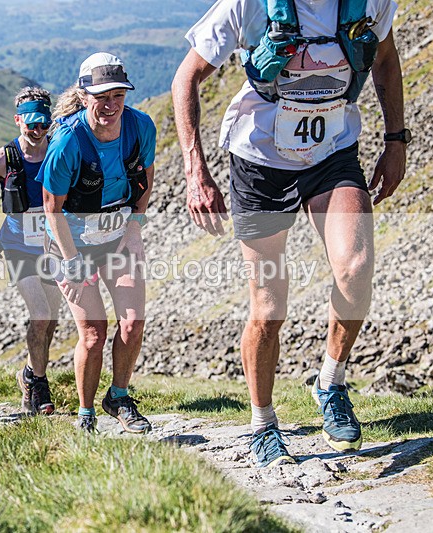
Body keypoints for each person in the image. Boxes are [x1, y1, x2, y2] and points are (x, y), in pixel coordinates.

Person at [172, 0, 408, 466]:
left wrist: (396, 140)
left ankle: (330, 384)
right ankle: (262, 424)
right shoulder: (248, 5)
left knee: (356, 267)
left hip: (333, 151)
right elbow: (187, 77)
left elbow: (384, 57)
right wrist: (195, 170)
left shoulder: (370, 1)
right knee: (268, 305)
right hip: (259, 161)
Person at [40, 52, 157, 433]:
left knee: (133, 323)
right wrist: (71, 261)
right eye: (101, 97)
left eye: (118, 96)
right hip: (70, 244)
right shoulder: (67, 142)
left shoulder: (140, 127)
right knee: (94, 334)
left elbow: (146, 179)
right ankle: (85, 414)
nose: (111, 106)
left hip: (118, 237)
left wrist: (135, 226)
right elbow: (51, 208)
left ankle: (118, 397)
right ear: (83, 96)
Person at [0, 87, 62, 415]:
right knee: (40, 314)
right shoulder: (2, 159)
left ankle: (29, 375)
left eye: (43, 124)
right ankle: (40, 385)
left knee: (51, 323)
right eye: (31, 124)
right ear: (18, 120)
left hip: (53, 246)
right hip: (17, 246)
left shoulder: (58, 149)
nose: (37, 130)